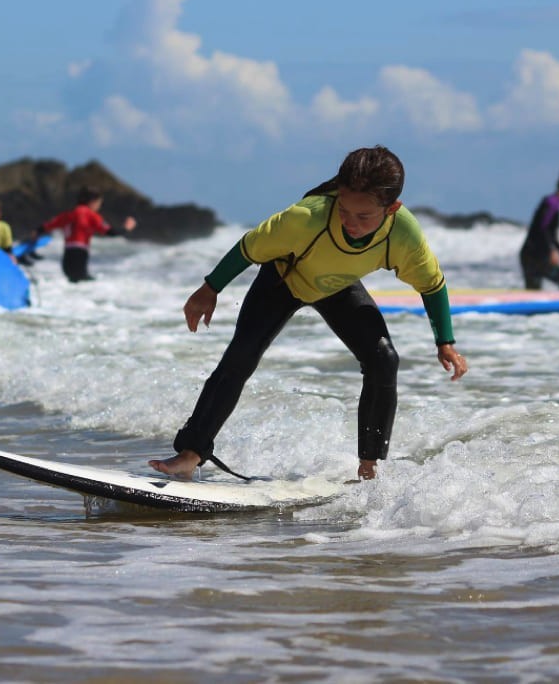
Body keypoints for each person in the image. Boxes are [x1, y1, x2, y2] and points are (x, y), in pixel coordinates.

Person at [149, 145, 468, 482]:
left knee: (383, 359)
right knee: (241, 356)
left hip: (337, 286)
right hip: (282, 279)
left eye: (363, 216)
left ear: (392, 209)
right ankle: (190, 454)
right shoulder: (305, 218)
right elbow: (248, 247)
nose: (350, 223)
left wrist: (444, 342)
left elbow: (432, 285)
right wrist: (210, 288)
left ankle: (370, 469)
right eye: (344, 210)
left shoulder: (403, 235)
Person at [35, 186, 137, 282]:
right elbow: (110, 232)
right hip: (80, 255)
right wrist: (126, 228)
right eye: (99, 203)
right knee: (84, 282)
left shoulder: (67, 215)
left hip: (67, 257)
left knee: (73, 283)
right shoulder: (91, 215)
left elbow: (46, 226)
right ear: (92, 202)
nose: (99, 207)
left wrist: (36, 233)